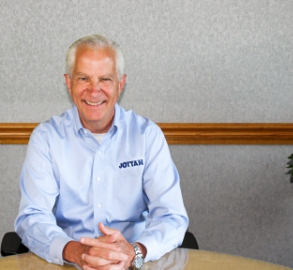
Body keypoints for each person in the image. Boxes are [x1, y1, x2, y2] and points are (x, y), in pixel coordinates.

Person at [15, 34, 189, 270]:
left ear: (121, 83)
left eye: (105, 79)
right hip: (69, 264)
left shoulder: (147, 136)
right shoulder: (46, 138)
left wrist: (134, 252)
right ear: (69, 83)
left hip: (133, 263)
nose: (94, 90)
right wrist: (78, 252)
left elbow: (172, 216)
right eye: (83, 78)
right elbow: (32, 217)